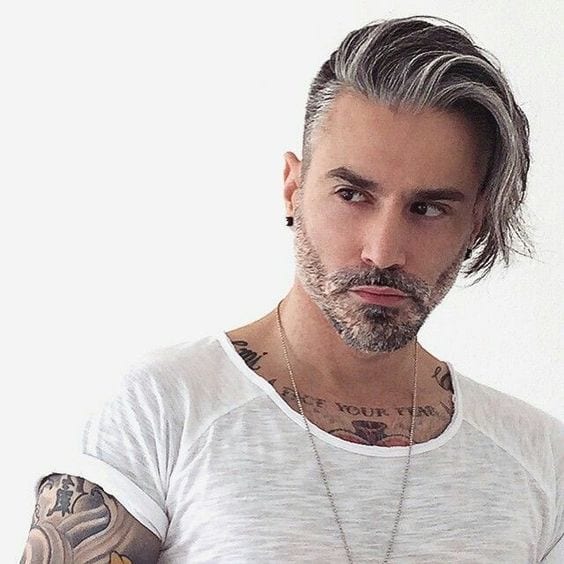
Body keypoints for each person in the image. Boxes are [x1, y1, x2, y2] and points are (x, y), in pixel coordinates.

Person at [22, 15, 563, 563]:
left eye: (427, 208)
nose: (382, 251)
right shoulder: (164, 408)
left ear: (476, 224)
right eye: (352, 195)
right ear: (293, 188)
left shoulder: (541, 461)